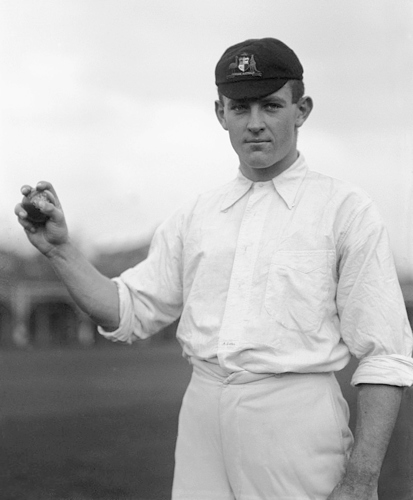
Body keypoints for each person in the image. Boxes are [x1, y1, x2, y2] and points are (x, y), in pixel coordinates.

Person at [15, 37, 413, 500]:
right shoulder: (197, 214)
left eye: (271, 106)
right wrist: (60, 250)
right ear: (220, 114)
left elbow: (385, 354)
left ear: (301, 109)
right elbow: (126, 310)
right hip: (202, 412)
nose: (256, 124)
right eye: (240, 108)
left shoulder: (344, 210)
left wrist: (362, 479)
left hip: (294, 419)